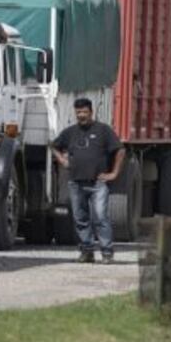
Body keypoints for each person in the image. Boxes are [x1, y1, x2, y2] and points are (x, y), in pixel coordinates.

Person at [51, 98, 125, 264]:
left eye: (84, 112)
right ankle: (87, 252)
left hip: (98, 183)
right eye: (78, 112)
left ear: (91, 112)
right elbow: (54, 146)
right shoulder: (70, 132)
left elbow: (120, 150)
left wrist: (113, 173)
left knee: (100, 217)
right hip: (76, 182)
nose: (81, 115)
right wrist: (62, 160)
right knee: (80, 218)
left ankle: (107, 253)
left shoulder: (103, 130)